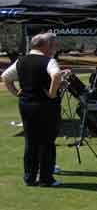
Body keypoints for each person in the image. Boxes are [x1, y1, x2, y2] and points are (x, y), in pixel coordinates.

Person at [1, 33, 68, 187]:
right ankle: (45, 179)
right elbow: (56, 75)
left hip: (26, 105)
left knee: (31, 141)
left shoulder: (21, 60)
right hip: (46, 106)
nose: (53, 48)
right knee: (47, 142)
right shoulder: (49, 61)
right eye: (51, 45)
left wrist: (16, 92)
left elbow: (5, 77)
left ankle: (30, 177)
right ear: (43, 46)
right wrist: (52, 93)